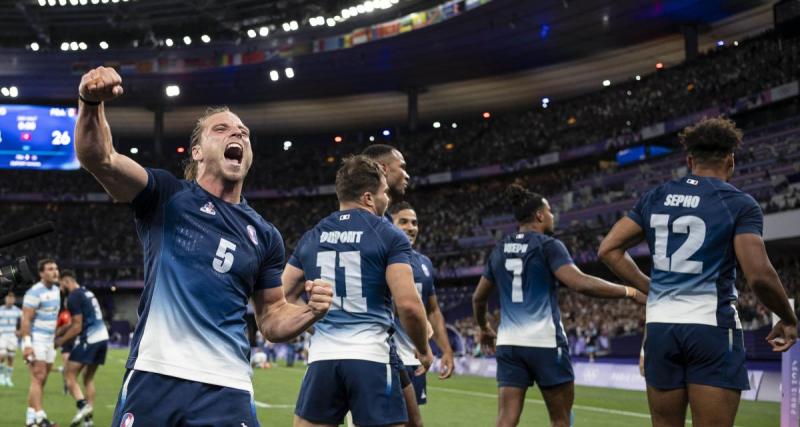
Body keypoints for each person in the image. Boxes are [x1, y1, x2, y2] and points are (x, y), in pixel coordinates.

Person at [74, 66, 333, 427]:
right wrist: (90, 103)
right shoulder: (166, 196)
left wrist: (310, 312)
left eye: (244, 132)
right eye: (223, 129)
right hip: (155, 375)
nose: (238, 134)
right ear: (197, 151)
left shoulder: (265, 234)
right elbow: (100, 159)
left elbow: (272, 318)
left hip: (227, 388)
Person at [598, 117, 798, 427]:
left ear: (690, 160)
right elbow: (759, 275)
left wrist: (650, 287)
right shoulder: (739, 203)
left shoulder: (656, 196)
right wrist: (787, 317)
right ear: (730, 160)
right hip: (711, 327)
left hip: (662, 327)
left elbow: (608, 249)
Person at [472, 184, 645, 427]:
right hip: (545, 344)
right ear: (539, 215)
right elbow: (580, 283)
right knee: (561, 419)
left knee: (506, 419)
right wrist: (629, 291)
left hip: (509, 344)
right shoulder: (547, 245)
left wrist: (484, 327)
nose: (553, 216)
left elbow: (478, 298)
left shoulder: (498, 250)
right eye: (550, 211)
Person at [283, 155, 433, 427]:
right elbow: (409, 306)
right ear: (368, 197)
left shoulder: (313, 236)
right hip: (371, 357)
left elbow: (283, 296)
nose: (386, 199)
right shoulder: (389, 235)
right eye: (384, 193)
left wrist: (315, 323)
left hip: (322, 360)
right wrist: (423, 348)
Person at [389, 201, 456, 426]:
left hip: (415, 360)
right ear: (390, 224)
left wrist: (446, 349)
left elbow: (433, 310)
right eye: (404, 221)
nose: (411, 227)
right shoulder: (379, 258)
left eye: (415, 223)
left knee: (414, 423)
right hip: (385, 357)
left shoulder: (424, 263)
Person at [55, 270, 109, 427]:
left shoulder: (73, 296)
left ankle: (83, 406)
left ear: (66, 281)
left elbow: (77, 327)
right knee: (88, 379)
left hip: (89, 338)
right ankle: (88, 420)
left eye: (60, 284)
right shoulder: (86, 292)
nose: (60, 288)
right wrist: (61, 330)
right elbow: (76, 322)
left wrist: (59, 341)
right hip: (102, 337)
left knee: (69, 374)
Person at [20, 259, 61, 427]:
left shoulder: (57, 290)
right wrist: (28, 344)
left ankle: (31, 420)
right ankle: (40, 417)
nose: (55, 272)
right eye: (50, 269)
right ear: (41, 273)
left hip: (49, 341)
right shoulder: (34, 292)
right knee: (38, 376)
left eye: (56, 268)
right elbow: (26, 318)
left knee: (41, 380)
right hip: (36, 339)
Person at [0, 291, 22, 387]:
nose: (10, 300)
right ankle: (1, 376)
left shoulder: (17, 310)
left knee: (11, 358)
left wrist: (20, 331)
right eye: (8, 298)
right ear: (5, 299)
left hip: (12, 336)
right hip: (3, 335)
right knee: (2, 354)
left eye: (12, 298)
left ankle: (8, 378)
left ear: (14, 300)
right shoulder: (0, 310)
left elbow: (24, 320)